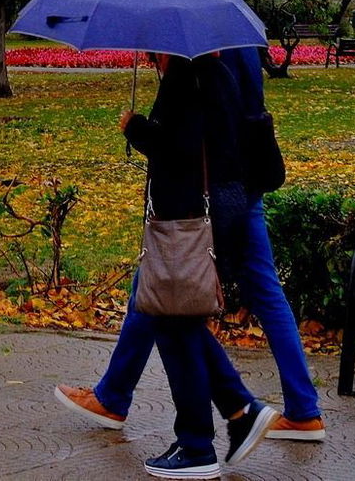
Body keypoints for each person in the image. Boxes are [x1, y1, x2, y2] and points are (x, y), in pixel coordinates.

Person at [55, 45, 324, 445]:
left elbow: (186, 134)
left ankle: (157, 410)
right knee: (256, 292)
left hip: (209, 190)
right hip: (243, 180)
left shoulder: (198, 56)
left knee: (160, 292)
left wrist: (139, 125)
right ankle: (301, 410)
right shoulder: (239, 37)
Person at [78, 51, 281, 478]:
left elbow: (179, 149)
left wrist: (136, 129)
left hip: (187, 215)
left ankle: (196, 446)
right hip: (219, 206)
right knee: (179, 321)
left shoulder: (187, 78)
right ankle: (239, 409)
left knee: (173, 321)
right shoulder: (215, 73)